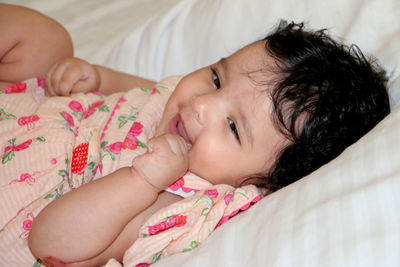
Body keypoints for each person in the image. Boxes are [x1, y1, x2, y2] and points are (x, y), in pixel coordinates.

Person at [0, 4, 389, 267]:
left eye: (234, 127)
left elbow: (49, 244)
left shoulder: (179, 205)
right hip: (37, 109)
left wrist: (142, 180)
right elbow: (150, 90)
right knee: (46, 38)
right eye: (217, 77)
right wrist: (98, 78)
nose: (203, 103)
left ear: (264, 185)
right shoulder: (184, 106)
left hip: (19, 192)